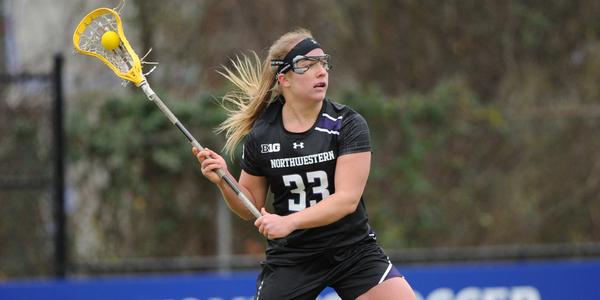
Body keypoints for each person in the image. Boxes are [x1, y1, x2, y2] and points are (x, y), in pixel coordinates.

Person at [193, 28, 417, 300]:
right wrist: (224, 181)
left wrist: (289, 222)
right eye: (307, 66)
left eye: (323, 63)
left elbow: (346, 200)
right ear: (283, 78)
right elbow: (249, 205)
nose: (321, 72)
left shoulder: (347, 124)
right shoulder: (262, 135)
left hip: (352, 250)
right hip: (293, 257)